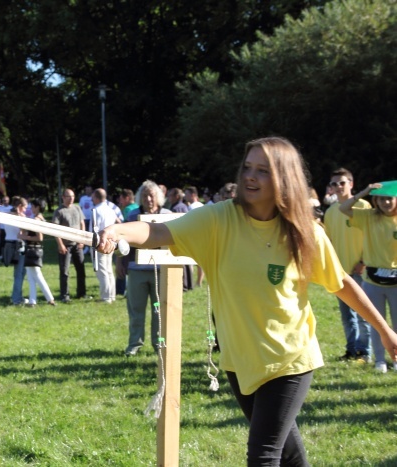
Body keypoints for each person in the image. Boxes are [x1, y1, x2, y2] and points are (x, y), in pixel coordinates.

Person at [97, 137, 397, 465]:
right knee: (288, 453)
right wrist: (118, 230)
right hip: (239, 361)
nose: (250, 176)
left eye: (263, 171)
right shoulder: (218, 219)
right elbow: (158, 233)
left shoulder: (305, 232)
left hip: (290, 360)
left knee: (263, 454)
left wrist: (385, 332)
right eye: (248, 167)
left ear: (285, 178)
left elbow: (341, 284)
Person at [339, 181, 397, 373]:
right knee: (376, 323)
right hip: (372, 281)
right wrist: (364, 191)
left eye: (389, 198)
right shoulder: (369, 217)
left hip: (395, 281)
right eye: (381, 199)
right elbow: (343, 208)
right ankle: (380, 360)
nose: (386, 203)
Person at [324, 168, 372, 362]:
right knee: (346, 315)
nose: (338, 187)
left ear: (351, 184)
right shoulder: (330, 212)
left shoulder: (363, 206)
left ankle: (365, 352)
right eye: (334, 184)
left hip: (361, 269)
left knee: (363, 313)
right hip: (340, 271)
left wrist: (363, 261)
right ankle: (351, 350)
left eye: (342, 183)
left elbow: (372, 236)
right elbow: (328, 243)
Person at [124, 181, 171, 356]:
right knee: (136, 309)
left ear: (158, 197)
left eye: (151, 195)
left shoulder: (167, 214)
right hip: (137, 270)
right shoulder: (133, 216)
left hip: (161, 270)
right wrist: (121, 264)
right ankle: (134, 344)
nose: (148, 199)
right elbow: (123, 242)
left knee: (159, 310)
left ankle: (158, 344)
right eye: (145, 196)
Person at [19, 198, 56, 307]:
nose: (31, 208)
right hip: (33, 249)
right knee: (31, 277)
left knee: (37, 276)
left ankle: (50, 299)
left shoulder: (37, 219)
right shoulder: (39, 218)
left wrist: (23, 236)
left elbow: (39, 237)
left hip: (33, 249)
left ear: (37, 207)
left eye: (32, 206)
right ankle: (32, 301)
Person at [53, 189, 86, 303]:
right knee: (65, 272)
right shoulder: (59, 211)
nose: (71, 198)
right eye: (68, 196)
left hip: (77, 245)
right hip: (65, 246)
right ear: (63, 197)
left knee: (81, 270)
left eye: (72, 196)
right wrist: (60, 244)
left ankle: (82, 293)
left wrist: (82, 240)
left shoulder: (77, 208)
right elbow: (55, 229)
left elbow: (82, 223)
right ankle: (64, 295)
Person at [92, 188, 118, 303]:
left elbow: (94, 229)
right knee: (108, 269)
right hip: (111, 241)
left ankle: (106, 297)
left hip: (99, 242)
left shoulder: (96, 210)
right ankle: (111, 295)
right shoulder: (111, 210)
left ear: (97, 197)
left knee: (102, 270)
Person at [3, 197, 28, 305]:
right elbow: (24, 232)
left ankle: (17, 296)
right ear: (20, 207)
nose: (25, 210)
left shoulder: (6, 215)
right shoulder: (20, 217)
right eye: (25, 208)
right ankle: (16, 299)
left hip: (8, 245)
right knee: (20, 273)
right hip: (18, 246)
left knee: (19, 272)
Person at [0, 195, 12, 260]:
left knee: (9, 242)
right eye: (4, 200)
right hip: (2, 228)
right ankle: (0, 254)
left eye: (6, 200)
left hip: (10, 228)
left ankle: (9, 254)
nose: (5, 202)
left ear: (8, 201)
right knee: (2, 242)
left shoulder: (11, 208)